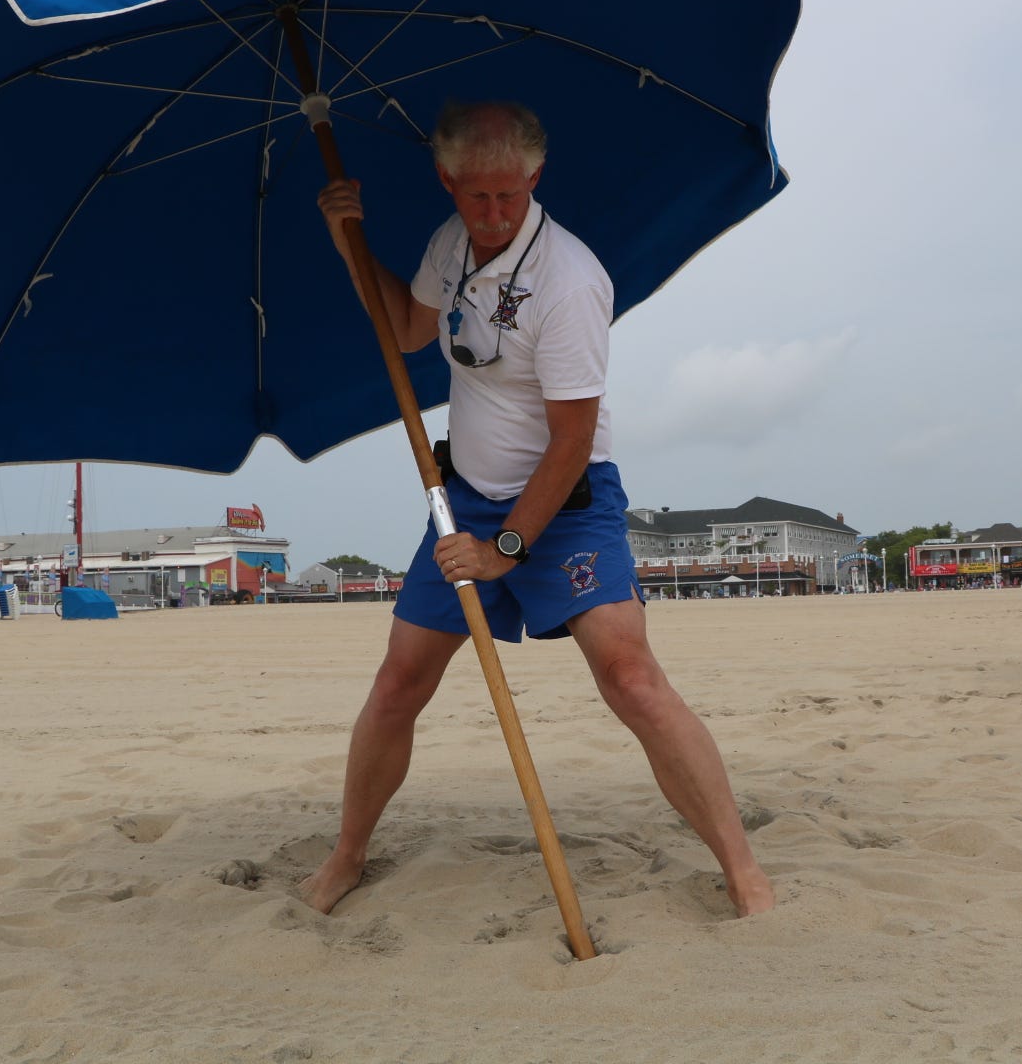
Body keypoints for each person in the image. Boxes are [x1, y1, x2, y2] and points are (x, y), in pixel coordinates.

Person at [300, 101, 774, 919]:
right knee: (397, 683)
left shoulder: (571, 280)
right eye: (475, 196)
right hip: (466, 502)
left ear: (535, 180)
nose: (491, 215)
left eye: (508, 198)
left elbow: (572, 438)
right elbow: (410, 329)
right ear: (446, 180)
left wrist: (507, 549)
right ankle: (347, 855)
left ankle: (741, 870)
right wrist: (353, 244)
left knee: (631, 679)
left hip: (569, 503)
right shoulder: (450, 245)